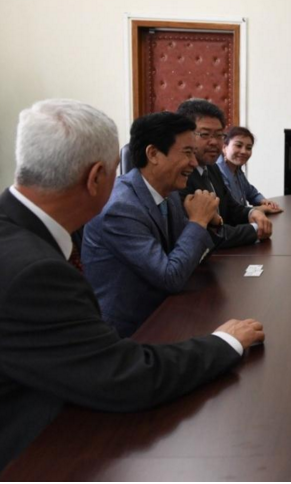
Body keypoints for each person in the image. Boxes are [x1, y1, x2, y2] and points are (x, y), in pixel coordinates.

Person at [0, 99, 265, 481]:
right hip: (28, 454)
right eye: (116, 169)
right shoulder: (35, 272)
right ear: (96, 177)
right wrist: (225, 343)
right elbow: (125, 377)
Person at [83, 112, 222, 338]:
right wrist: (198, 221)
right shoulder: (121, 209)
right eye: (187, 152)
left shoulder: (168, 192)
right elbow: (170, 277)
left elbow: (186, 254)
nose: (194, 162)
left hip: (166, 310)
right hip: (130, 332)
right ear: (153, 154)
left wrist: (210, 222)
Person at [176, 99, 273, 248]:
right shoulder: (180, 176)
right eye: (205, 134)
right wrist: (256, 230)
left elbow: (231, 207)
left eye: (219, 135)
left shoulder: (212, 168)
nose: (214, 142)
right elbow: (209, 236)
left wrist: (252, 213)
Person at [216, 126, 281, 212]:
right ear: (224, 147)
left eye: (248, 148)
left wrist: (264, 201)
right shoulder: (217, 171)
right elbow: (232, 210)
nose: (244, 151)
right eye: (238, 145)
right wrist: (263, 209)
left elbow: (251, 193)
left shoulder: (237, 170)